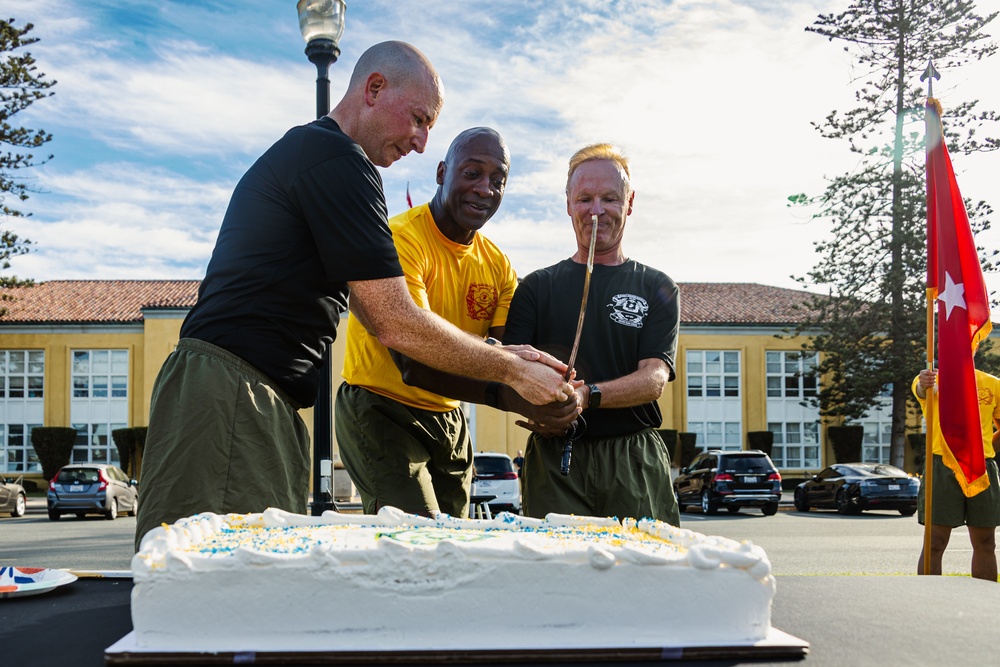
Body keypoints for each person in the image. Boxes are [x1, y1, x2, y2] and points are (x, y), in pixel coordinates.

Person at [134, 43, 573, 549]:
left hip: (248, 394)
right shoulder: (338, 160)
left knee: (236, 583)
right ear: (374, 88)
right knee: (210, 583)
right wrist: (512, 368)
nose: (422, 142)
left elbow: (379, 310)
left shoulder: (320, 157)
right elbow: (395, 322)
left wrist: (515, 358)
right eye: (417, 119)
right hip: (233, 394)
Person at [336, 127, 579, 518]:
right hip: (382, 406)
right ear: (441, 172)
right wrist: (514, 393)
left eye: (497, 180)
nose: (485, 188)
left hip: (450, 415)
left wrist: (555, 400)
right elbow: (413, 363)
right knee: (414, 536)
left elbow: (510, 355)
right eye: (472, 173)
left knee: (456, 543)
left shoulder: (498, 265)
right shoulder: (400, 239)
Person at [503, 143, 681, 525]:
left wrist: (588, 395)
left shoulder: (657, 287)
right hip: (555, 456)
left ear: (629, 203)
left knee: (644, 571)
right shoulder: (534, 288)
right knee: (559, 577)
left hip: (632, 456)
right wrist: (541, 407)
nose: (596, 211)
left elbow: (654, 379)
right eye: (584, 198)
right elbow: (510, 373)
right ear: (568, 203)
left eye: (610, 199)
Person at [913, 367, 1000, 581]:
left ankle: (983, 605)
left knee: (986, 542)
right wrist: (923, 384)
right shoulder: (931, 378)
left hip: (981, 467)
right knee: (935, 542)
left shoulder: (992, 383)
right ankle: (928, 602)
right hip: (942, 465)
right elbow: (921, 390)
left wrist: (985, 450)